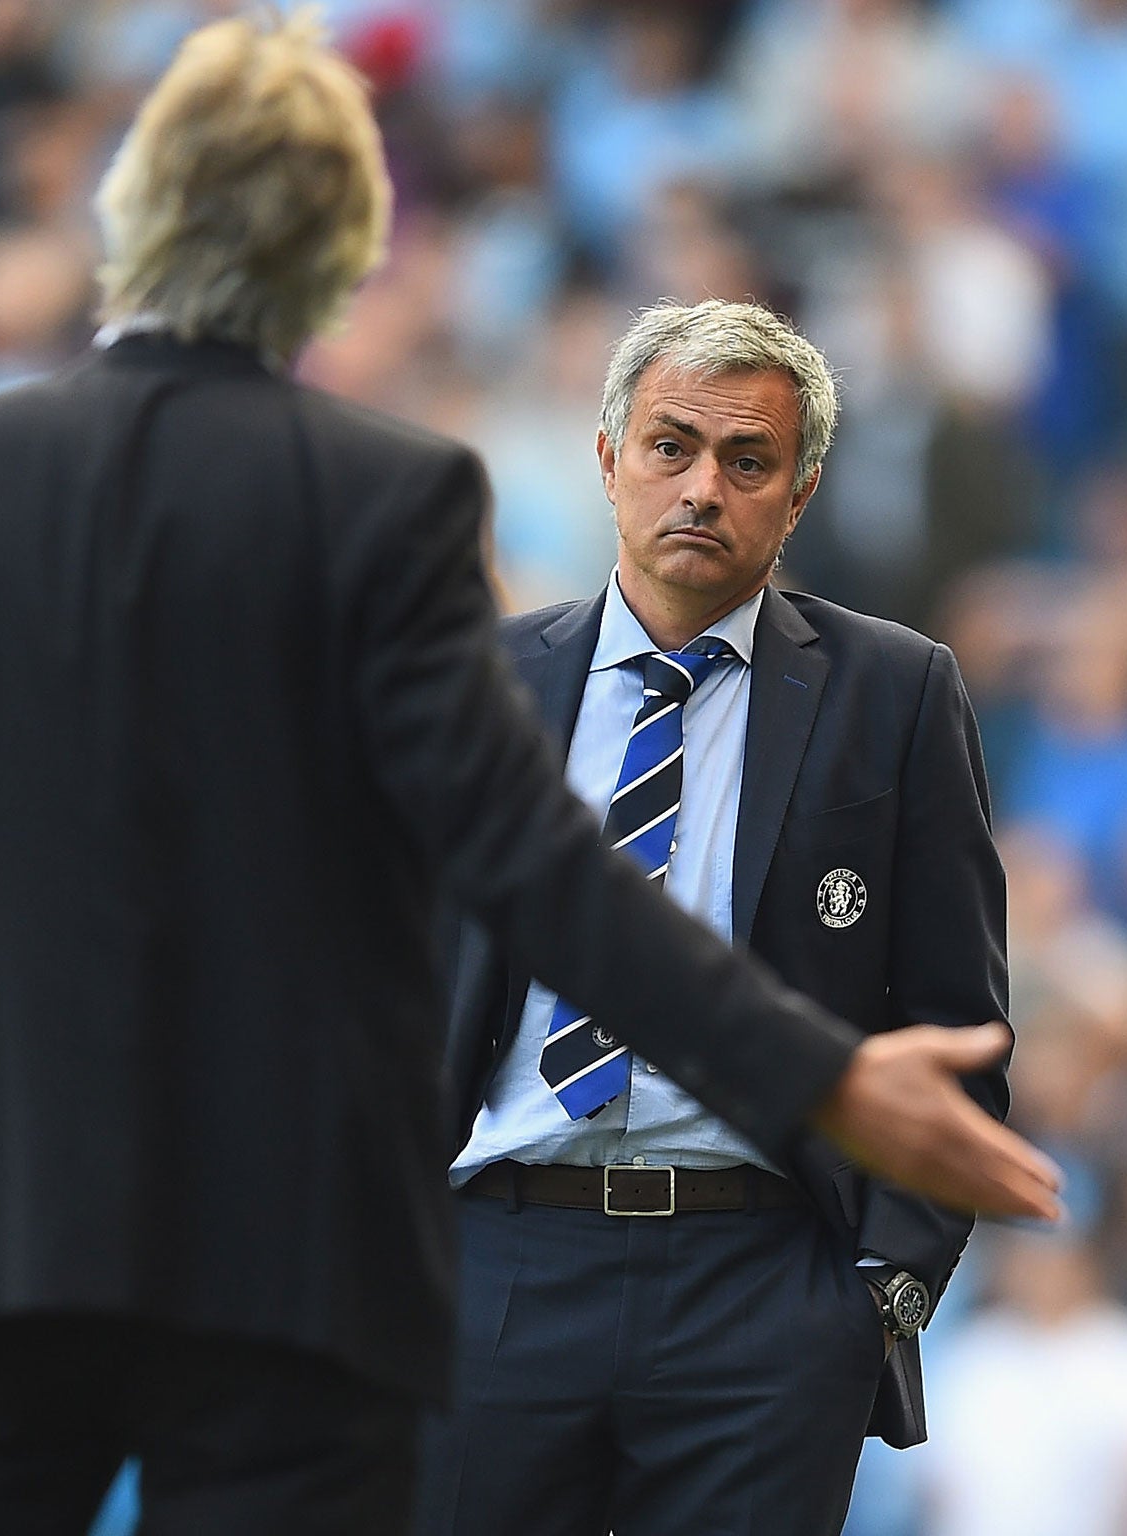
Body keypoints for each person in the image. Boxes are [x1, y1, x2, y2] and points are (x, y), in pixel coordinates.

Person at [0, 14, 1059, 1536]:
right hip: (299, 1287)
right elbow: (539, 866)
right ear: (340, 256)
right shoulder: (385, 496)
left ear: (125, 222)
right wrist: (824, 1074)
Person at [419, 300, 1011, 1536]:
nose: (701, 487)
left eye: (746, 463)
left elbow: (959, 1023)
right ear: (604, 459)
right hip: (496, 1265)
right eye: (668, 447)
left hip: (762, 1293)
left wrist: (876, 1298)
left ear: (795, 498)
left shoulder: (894, 692)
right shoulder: (475, 681)